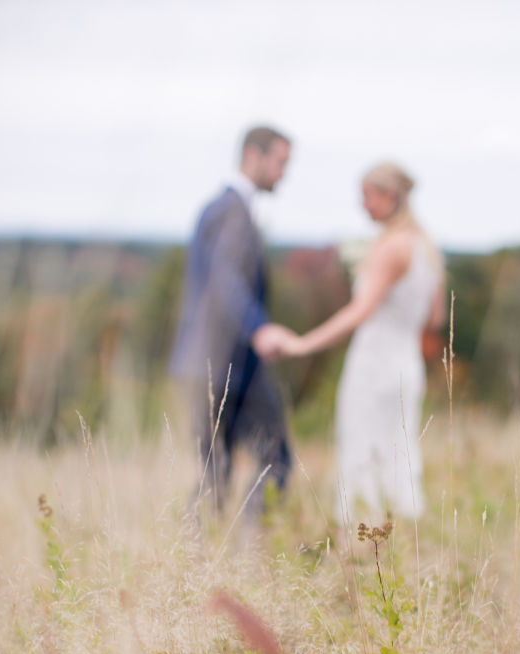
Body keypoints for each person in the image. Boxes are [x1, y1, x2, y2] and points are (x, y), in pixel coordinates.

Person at [266, 162, 445, 521]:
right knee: (399, 447)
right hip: (407, 364)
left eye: (367, 196)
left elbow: (359, 311)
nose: (363, 205)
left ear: (391, 197)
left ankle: (363, 534)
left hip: (375, 363)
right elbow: (436, 318)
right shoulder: (426, 248)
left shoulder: (392, 247)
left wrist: (304, 343)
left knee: (362, 444)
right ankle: (401, 533)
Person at [169, 125, 300, 526]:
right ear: (253, 156)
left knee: (219, 469)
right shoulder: (232, 212)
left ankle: (214, 559)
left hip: (209, 362)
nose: (283, 174)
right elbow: (226, 279)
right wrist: (259, 327)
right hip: (222, 361)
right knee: (270, 460)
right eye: (279, 163)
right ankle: (249, 552)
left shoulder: (221, 207)